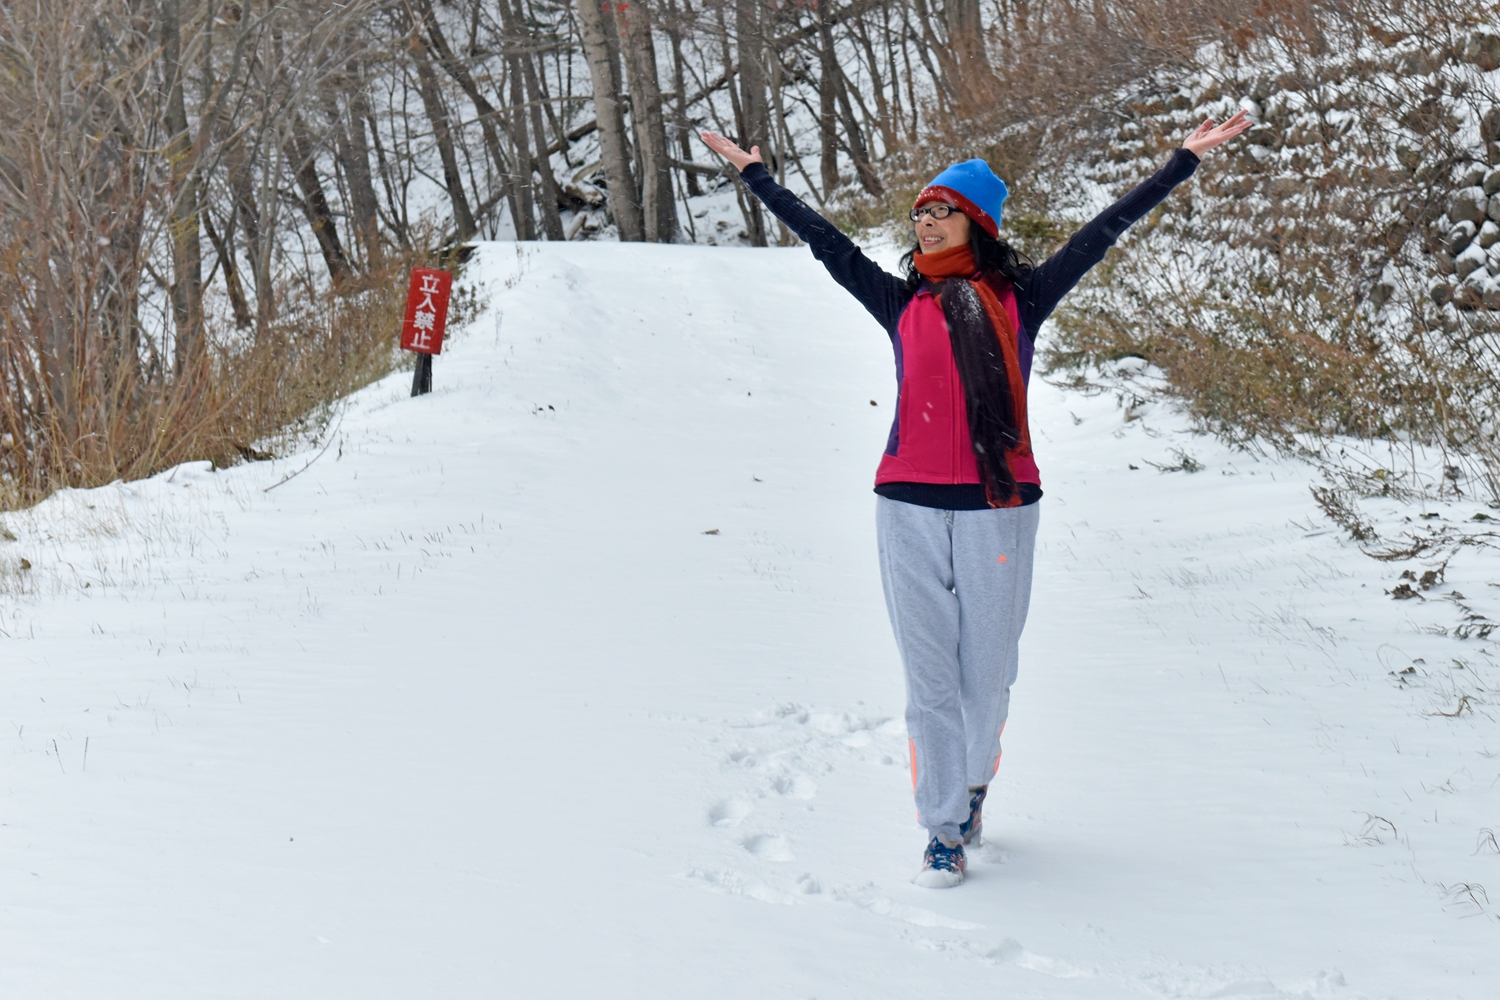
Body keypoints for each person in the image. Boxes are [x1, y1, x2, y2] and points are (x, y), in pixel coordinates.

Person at [700, 110, 1251, 887]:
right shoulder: (901, 304)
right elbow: (827, 243)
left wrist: (1178, 164)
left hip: (1001, 507)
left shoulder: (1022, 299)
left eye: (941, 211)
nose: (925, 224)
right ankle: (942, 827)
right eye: (920, 214)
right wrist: (757, 177)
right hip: (908, 507)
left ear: (977, 222)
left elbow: (1102, 232)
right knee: (930, 684)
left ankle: (975, 780)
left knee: (985, 680)